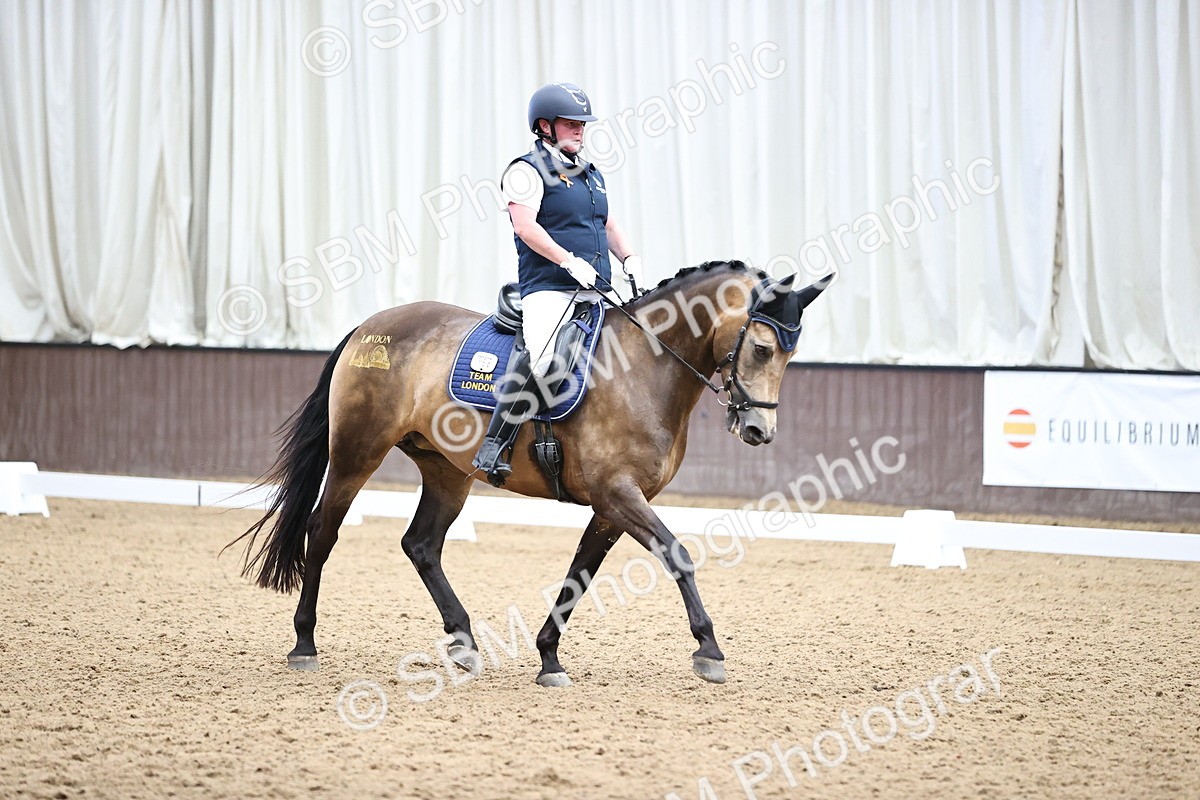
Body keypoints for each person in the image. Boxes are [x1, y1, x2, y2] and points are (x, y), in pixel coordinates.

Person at [472, 82, 645, 486]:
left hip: (595, 288)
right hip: (549, 287)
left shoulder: (591, 174)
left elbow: (606, 222)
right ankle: (493, 446)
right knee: (544, 357)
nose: (580, 130)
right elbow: (525, 227)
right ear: (545, 126)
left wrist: (630, 257)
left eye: (582, 124)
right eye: (571, 123)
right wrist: (569, 261)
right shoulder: (525, 170)